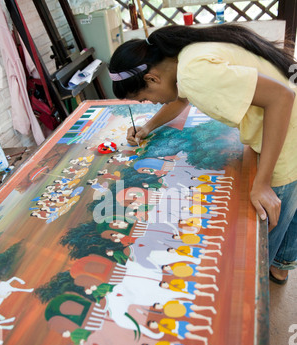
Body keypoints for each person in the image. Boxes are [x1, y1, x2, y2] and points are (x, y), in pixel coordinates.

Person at [108, 23, 297, 284]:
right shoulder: (184, 58)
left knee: (265, 228)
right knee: (290, 209)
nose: (150, 104)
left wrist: (263, 182)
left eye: (144, 99)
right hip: (287, 121)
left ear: (152, 79)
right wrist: (148, 126)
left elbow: (282, 98)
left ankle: (264, 277)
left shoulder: (194, 75)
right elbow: (180, 98)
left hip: (287, 136)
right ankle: (282, 266)